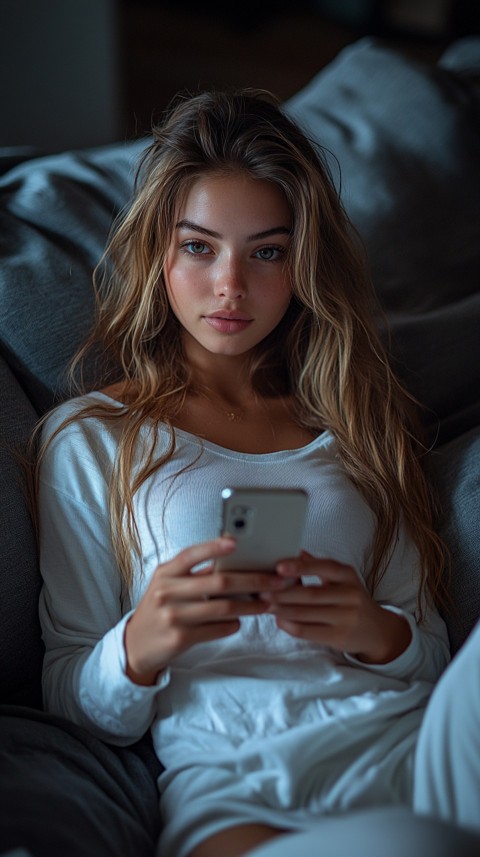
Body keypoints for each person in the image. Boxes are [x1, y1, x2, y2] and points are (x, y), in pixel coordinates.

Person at [33, 90, 479, 857]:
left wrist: (370, 628)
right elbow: (72, 695)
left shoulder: (356, 425)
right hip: (244, 788)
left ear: (302, 262)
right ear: (158, 254)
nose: (230, 286)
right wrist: (140, 643)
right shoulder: (94, 437)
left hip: (412, 750)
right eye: (199, 247)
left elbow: (431, 649)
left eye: (266, 251)